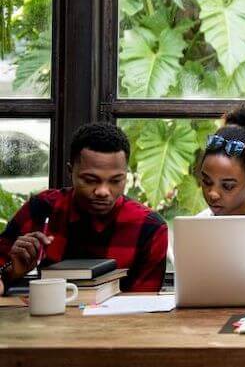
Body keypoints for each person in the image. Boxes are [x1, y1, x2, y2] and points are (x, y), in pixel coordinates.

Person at [0, 123, 168, 294]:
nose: (103, 191)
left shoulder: (149, 227)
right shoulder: (42, 208)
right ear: (70, 171)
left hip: (117, 320)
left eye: (116, 181)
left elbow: (145, 304)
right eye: (90, 180)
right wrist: (13, 271)